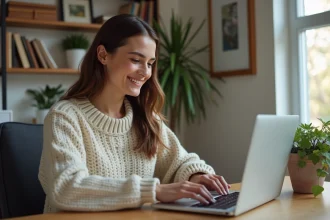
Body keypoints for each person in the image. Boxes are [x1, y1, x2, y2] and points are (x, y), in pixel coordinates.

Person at [38, 14, 230, 213]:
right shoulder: (64, 117)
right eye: (136, 60)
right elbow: (67, 188)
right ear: (103, 55)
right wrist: (153, 191)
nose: (145, 72)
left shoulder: (145, 117)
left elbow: (179, 161)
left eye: (150, 63)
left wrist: (196, 176)